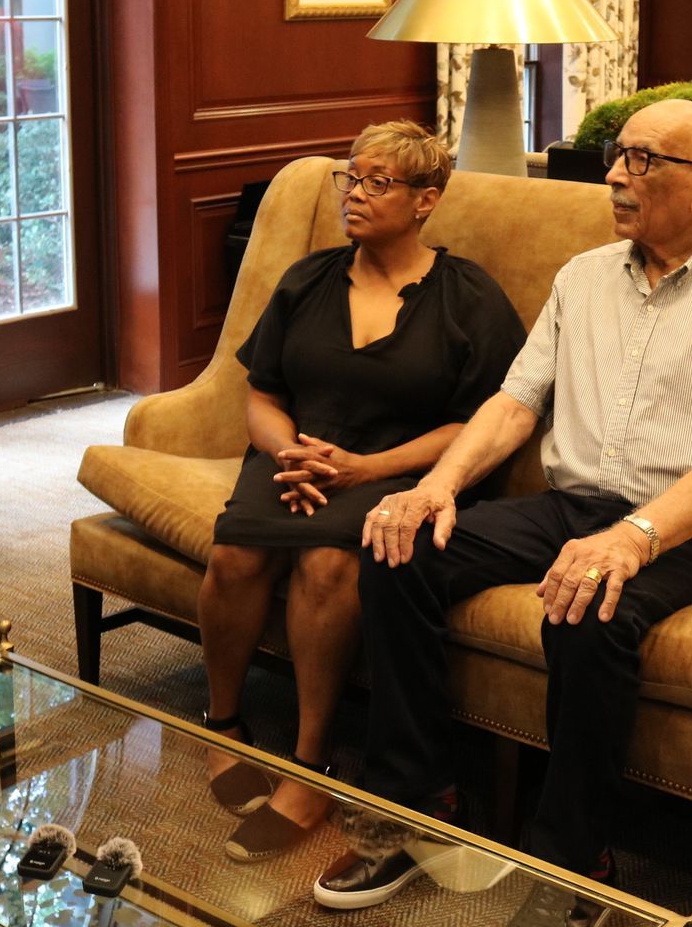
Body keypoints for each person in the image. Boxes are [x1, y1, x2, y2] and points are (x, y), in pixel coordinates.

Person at [314, 100, 692, 923]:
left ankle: (575, 861)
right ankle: (418, 802)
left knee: (587, 609)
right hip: (569, 505)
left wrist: (632, 539)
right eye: (618, 156)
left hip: (687, 531)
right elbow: (513, 403)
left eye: (641, 161)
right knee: (402, 548)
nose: (614, 175)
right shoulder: (581, 276)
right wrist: (438, 486)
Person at [200, 121, 526, 863]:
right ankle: (220, 725)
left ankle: (311, 766)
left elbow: (483, 423)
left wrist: (367, 470)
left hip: (402, 474)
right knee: (236, 558)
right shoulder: (307, 279)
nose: (355, 195)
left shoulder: (467, 295)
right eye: (352, 178)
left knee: (328, 565)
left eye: (379, 182)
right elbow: (262, 393)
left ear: (425, 200)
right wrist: (288, 451)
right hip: (299, 460)